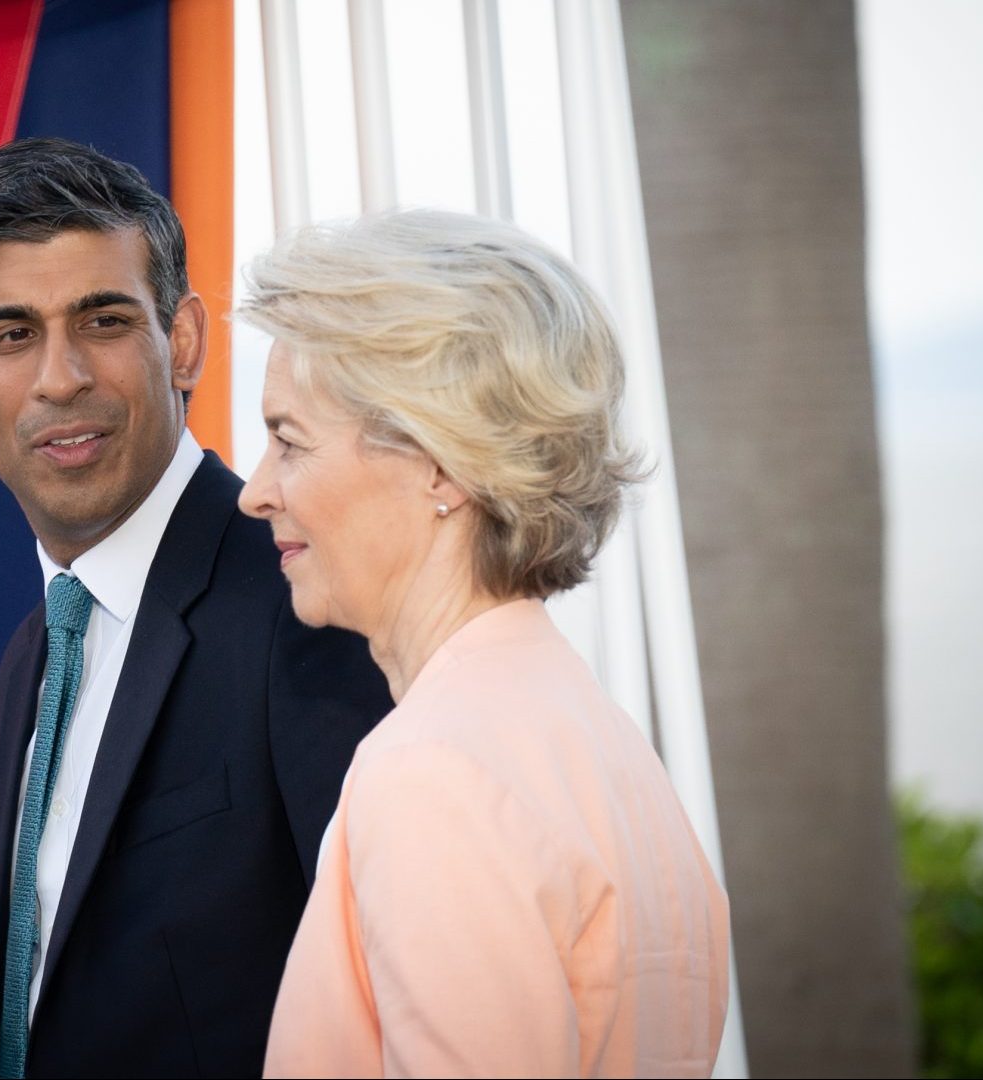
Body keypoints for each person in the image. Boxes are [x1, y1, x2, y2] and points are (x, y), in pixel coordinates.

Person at [0, 137, 391, 1079]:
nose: (61, 379)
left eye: (101, 321)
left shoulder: (309, 601)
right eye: (12, 334)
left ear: (181, 342)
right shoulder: (32, 655)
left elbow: (395, 1004)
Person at [238, 210, 731, 1078]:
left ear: (438, 464)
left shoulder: (436, 773)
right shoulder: (603, 746)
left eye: (288, 440)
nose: (256, 491)